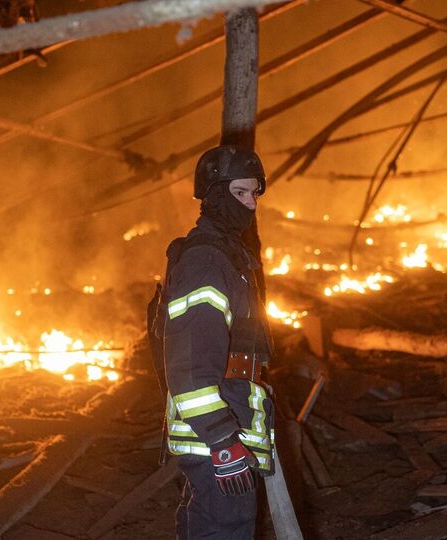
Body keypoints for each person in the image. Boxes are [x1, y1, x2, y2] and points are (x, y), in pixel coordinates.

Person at [155, 145, 275, 539]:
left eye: (254, 193)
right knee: (224, 530)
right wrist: (222, 439)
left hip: (224, 425)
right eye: (239, 193)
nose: (250, 204)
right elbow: (189, 363)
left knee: (205, 526)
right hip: (216, 436)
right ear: (213, 195)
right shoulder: (207, 261)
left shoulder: (228, 257)